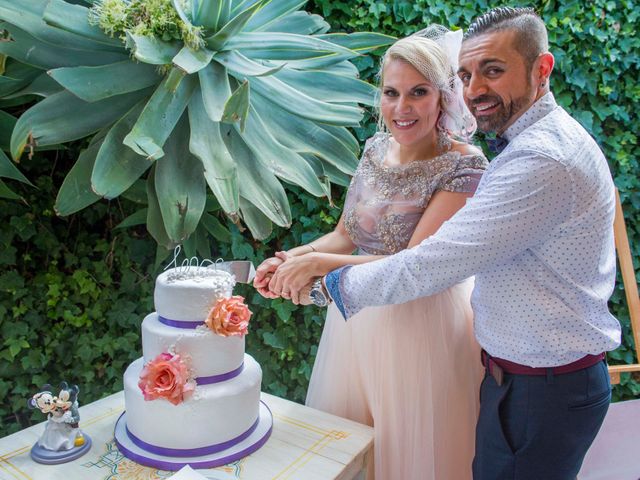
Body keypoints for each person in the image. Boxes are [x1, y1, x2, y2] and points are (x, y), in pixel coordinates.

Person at [308, 7, 621, 480]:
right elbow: (351, 233)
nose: (475, 90)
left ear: (542, 68)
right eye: (467, 74)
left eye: (493, 71)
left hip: (542, 389)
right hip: (518, 377)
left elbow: (425, 265)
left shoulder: (539, 160)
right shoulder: (527, 142)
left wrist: (320, 284)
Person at [254, 27, 488, 479]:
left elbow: (414, 264)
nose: (402, 108)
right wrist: (291, 259)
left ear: (443, 96)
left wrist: (317, 265)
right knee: (353, 451)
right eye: (391, 93)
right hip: (357, 318)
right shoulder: (375, 149)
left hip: (424, 326)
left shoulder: (465, 165)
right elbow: (345, 234)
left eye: (418, 93)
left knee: (416, 450)